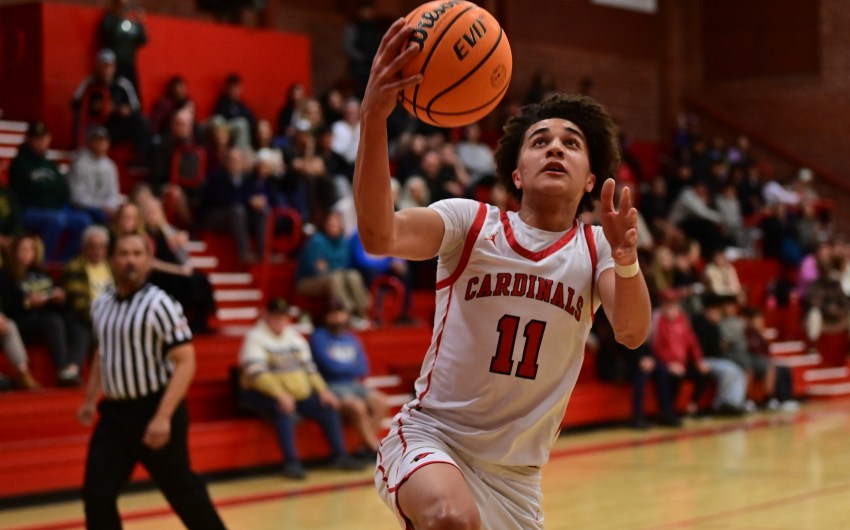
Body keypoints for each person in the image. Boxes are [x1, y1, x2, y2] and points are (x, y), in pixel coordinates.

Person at [354, 20, 651, 529]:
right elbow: (380, 236)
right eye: (539, 141)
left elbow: (631, 331)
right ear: (517, 173)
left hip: (515, 477)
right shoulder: (469, 224)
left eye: (571, 143)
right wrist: (374, 121)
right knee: (451, 518)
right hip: (432, 438)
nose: (555, 148)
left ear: (588, 181)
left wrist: (627, 259)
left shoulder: (597, 247)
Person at [77, 233, 227, 530]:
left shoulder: (161, 304)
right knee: (97, 494)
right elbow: (102, 353)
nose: (130, 259)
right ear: (111, 259)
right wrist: (89, 399)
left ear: (147, 262)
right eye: (123, 253)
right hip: (115, 414)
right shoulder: (101, 304)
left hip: (155, 408)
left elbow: (186, 362)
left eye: (137, 253)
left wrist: (163, 416)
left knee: (182, 491)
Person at [237, 298, 365, 479]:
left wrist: (323, 390)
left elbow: (309, 368)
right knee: (283, 410)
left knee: (327, 406)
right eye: (276, 317)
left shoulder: (294, 337)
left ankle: (340, 456)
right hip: (261, 393)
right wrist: (279, 394)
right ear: (267, 317)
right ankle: (291, 463)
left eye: (283, 317)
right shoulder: (255, 337)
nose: (280, 321)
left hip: (296, 393)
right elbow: (257, 375)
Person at [0, 235, 88, 386]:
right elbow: (7, 308)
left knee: (78, 323)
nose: (27, 253)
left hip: (46, 314)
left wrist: (59, 298)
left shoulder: (41, 272)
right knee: (52, 322)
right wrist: (27, 303)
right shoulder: (6, 275)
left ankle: (72, 366)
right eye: (23, 249)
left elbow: (54, 295)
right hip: (23, 319)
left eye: (30, 250)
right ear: (14, 252)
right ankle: (61, 367)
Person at [310, 301, 389, 455]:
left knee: (382, 402)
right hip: (331, 385)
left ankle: (363, 446)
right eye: (333, 314)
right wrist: (348, 367)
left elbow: (363, 367)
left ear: (346, 316)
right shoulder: (319, 337)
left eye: (341, 313)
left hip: (352, 384)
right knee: (357, 406)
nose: (337, 318)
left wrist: (342, 367)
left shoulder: (352, 338)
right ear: (326, 317)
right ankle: (375, 449)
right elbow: (328, 366)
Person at [9, 121, 92, 261]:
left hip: (54, 209)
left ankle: (64, 261)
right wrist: (48, 188)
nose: (41, 142)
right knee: (56, 220)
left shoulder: (50, 163)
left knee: (83, 220)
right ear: (29, 139)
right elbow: (31, 191)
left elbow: (63, 190)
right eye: (37, 138)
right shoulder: (19, 163)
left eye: (44, 138)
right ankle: (43, 263)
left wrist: (45, 188)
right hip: (28, 211)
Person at [60, 226, 114, 374]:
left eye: (101, 247)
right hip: (84, 315)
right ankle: (73, 368)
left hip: (110, 316)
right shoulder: (74, 267)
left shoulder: (112, 266)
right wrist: (105, 320)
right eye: (93, 247)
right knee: (82, 327)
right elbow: (79, 304)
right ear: (84, 248)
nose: (97, 251)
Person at [68, 126, 124, 224]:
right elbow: (77, 197)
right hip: (82, 208)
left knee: (124, 216)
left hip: (104, 208)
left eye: (103, 141)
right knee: (100, 217)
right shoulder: (80, 164)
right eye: (97, 141)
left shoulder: (110, 165)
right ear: (90, 142)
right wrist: (102, 207)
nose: (100, 145)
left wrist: (110, 206)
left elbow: (114, 192)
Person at [98, 0, 148, 96]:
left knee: (133, 94)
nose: (125, 8)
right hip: (114, 66)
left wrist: (141, 23)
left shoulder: (132, 24)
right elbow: (109, 34)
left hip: (129, 65)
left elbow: (143, 40)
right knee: (114, 94)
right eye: (122, 5)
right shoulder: (109, 20)